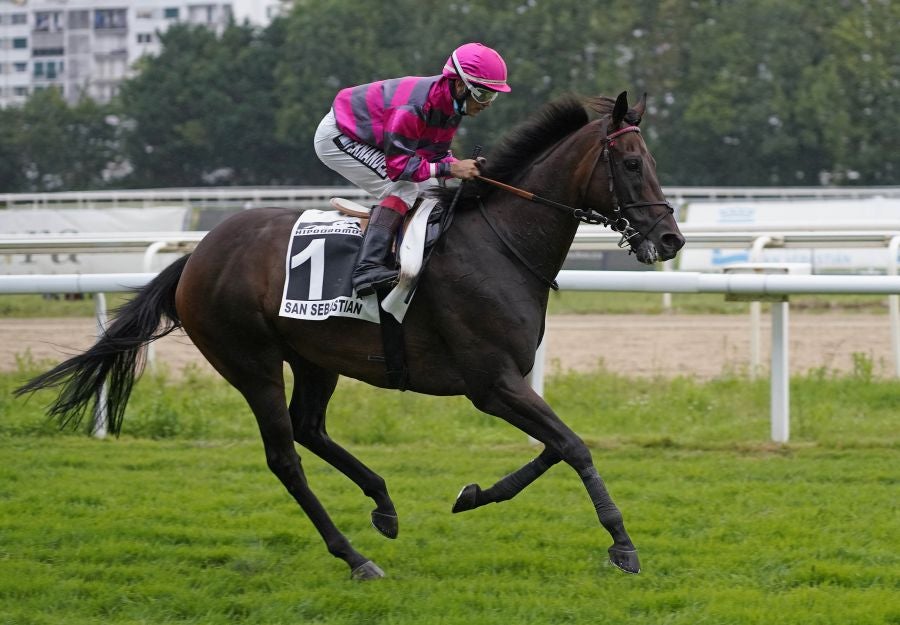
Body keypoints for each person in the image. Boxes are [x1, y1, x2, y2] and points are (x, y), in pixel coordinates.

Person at [313, 42, 511, 296]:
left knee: (431, 191)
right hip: (339, 136)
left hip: (372, 138)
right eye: (483, 95)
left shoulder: (450, 106)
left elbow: (435, 156)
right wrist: (452, 169)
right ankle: (367, 268)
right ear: (461, 86)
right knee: (404, 188)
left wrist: (464, 168)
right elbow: (399, 168)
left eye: (493, 96)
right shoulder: (414, 107)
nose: (487, 104)